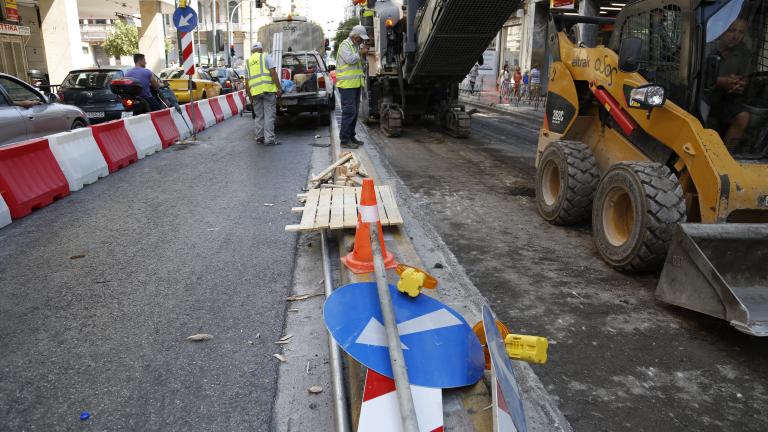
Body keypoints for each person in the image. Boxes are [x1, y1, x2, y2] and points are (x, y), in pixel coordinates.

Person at [707, 17, 753, 151]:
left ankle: (726, 156)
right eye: (732, 31)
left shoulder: (743, 52)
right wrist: (721, 81)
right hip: (702, 96)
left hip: (726, 98)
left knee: (743, 117)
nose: (736, 36)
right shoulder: (706, 46)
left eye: (740, 32)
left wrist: (740, 83)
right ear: (722, 30)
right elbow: (692, 76)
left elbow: (745, 76)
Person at [336, 24, 369, 149]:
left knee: (354, 113)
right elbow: (350, 60)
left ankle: (350, 136)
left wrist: (363, 55)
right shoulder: (345, 45)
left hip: (355, 85)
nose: (361, 40)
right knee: (349, 112)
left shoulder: (355, 46)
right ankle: (344, 140)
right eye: (360, 38)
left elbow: (361, 63)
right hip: (346, 86)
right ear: (355, 36)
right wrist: (361, 52)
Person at [246, 42, 283, 146]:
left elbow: (246, 82)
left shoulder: (248, 62)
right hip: (268, 90)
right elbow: (273, 73)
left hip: (255, 93)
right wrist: (279, 88)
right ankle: (269, 139)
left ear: (252, 51)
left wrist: (250, 96)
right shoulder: (266, 57)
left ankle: (259, 138)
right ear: (261, 49)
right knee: (269, 115)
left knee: (259, 116)